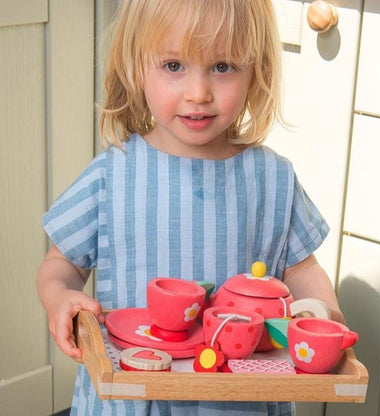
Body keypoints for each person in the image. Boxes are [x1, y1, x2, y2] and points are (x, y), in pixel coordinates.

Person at [37, 0, 344, 415]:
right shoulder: (112, 174)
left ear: (257, 71)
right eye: (174, 66)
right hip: (132, 399)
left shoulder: (272, 178)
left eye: (222, 67)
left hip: (240, 402)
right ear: (136, 67)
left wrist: (326, 314)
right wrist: (60, 297)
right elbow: (61, 263)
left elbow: (303, 269)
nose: (198, 93)